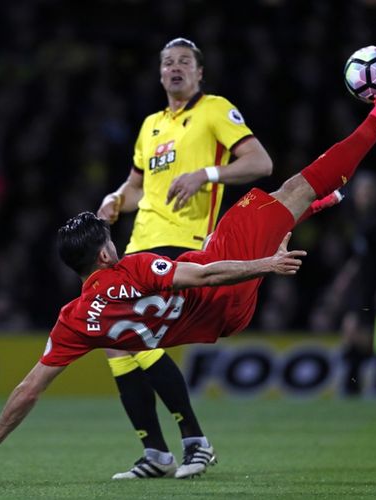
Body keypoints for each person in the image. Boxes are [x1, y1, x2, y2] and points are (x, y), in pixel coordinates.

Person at [0, 60, 376, 469]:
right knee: (295, 188)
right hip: (221, 281)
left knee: (272, 207)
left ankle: (313, 204)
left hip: (221, 316)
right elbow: (206, 274)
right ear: (107, 254)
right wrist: (266, 264)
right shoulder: (136, 268)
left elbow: (30, 387)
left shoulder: (74, 321)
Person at [95, 37, 274, 479]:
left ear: (199, 73)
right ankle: (156, 452)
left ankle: (195, 442)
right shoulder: (150, 124)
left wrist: (207, 174)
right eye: (168, 63)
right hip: (138, 247)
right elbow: (138, 188)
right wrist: (116, 198)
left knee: (138, 334)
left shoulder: (214, 110)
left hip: (185, 243)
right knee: (118, 341)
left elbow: (260, 163)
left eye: (184, 62)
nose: (175, 68)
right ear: (159, 75)